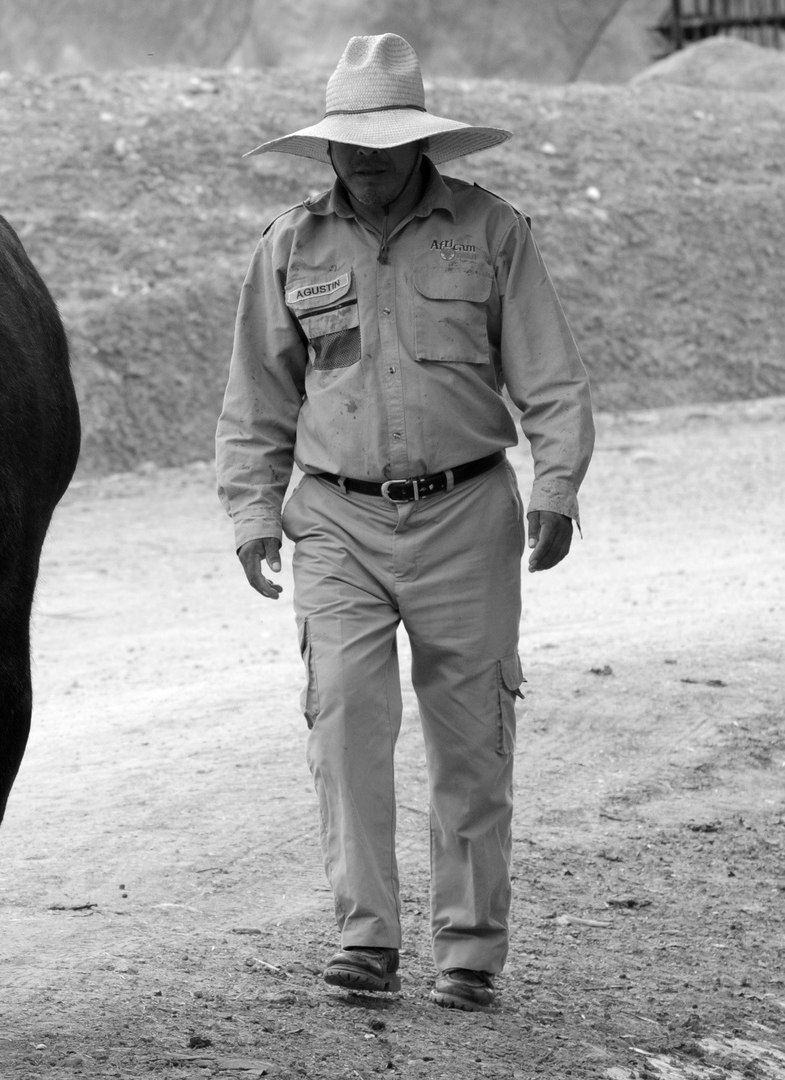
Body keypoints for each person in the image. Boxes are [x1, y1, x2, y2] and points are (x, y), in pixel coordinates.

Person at [214, 33, 594, 1011]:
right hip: (336, 520)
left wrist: (556, 488)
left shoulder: (492, 233)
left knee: (472, 736)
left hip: (469, 512)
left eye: (387, 141)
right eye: (352, 143)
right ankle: (365, 939)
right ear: (329, 146)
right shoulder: (287, 246)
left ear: (422, 141)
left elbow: (550, 379)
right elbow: (254, 401)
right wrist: (254, 512)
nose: (368, 159)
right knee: (343, 718)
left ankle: (469, 950)